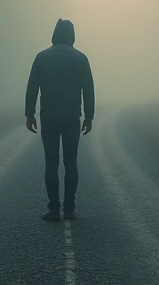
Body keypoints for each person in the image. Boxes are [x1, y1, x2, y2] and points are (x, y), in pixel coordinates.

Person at [25, 18, 95, 221]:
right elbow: (88, 90)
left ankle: (54, 209)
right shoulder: (81, 58)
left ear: (55, 34)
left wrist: (29, 113)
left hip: (49, 117)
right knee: (71, 162)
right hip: (72, 117)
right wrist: (89, 116)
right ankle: (70, 208)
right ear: (72, 35)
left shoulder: (42, 57)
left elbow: (32, 87)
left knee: (51, 163)